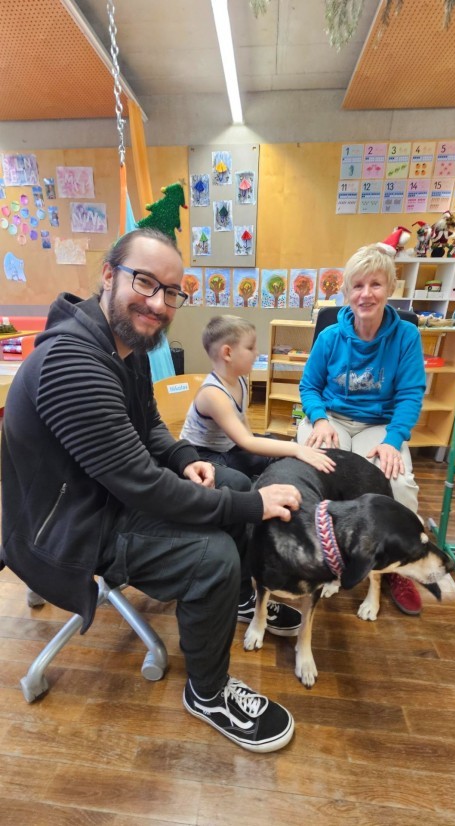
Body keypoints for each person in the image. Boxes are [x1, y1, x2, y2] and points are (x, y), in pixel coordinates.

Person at [0, 227, 302, 753]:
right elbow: (143, 485)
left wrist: (186, 458)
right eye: (145, 282)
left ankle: (232, 602)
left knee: (227, 478)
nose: (159, 303)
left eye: (172, 291)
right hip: (70, 525)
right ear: (108, 275)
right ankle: (208, 693)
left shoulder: (127, 345)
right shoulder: (72, 363)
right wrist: (253, 504)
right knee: (213, 554)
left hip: (104, 493)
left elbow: (151, 427)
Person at [180, 314, 336, 631]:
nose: (257, 353)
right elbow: (246, 442)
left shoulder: (239, 380)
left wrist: (278, 453)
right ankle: (243, 598)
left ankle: (280, 535)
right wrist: (296, 448)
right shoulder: (212, 394)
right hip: (201, 458)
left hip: (228, 449)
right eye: (251, 347)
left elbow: (248, 437)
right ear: (227, 353)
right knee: (243, 481)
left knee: (274, 461)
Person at [297, 242, 426, 616]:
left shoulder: (406, 336)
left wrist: (393, 440)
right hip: (332, 418)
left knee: (399, 484)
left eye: (375, 284)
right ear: (346, 291)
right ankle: (323, 554)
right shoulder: (330, 337)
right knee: (312, 473)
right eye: (357, 285)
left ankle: (396, 564)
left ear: (391, 289)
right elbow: (309, 386)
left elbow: (410, 394)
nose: (365, 294)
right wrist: (319, 418)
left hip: (380, 424)